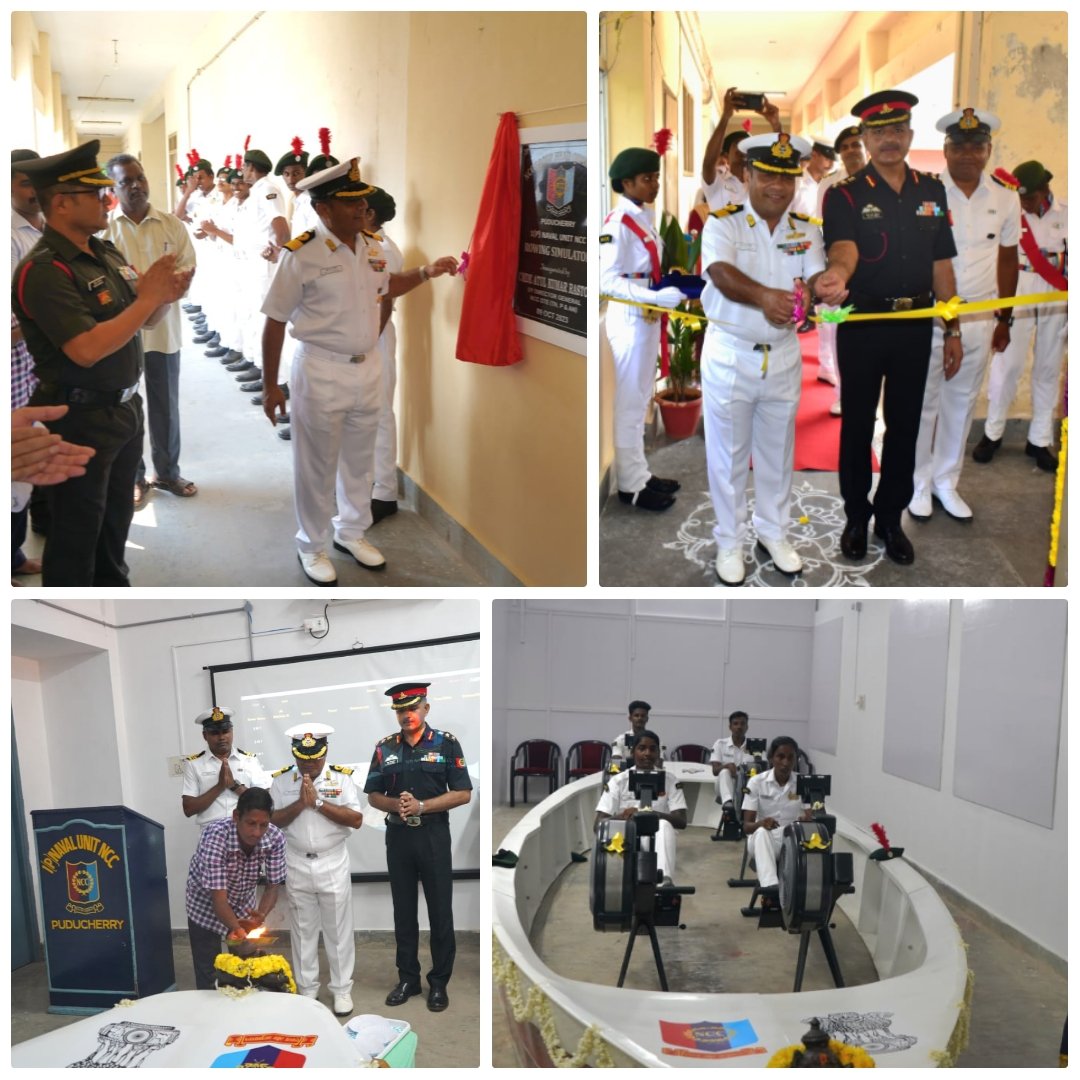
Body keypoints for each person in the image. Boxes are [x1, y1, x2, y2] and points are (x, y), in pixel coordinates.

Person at [260, 157, 458, 584]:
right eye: (350, 203)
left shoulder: (371, 246)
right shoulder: (301, 254)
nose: (361, 209)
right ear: (323, 209)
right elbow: (275, 319)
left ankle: (351, 532)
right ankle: (311, 545)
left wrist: (425, 272)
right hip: (320, 368)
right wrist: (270, 385)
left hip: (367, 368)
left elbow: (386, 287)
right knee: (316, 466)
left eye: (362, 202)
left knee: (359, 460)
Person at [11, 140, 193, 586]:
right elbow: (86, 349)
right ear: (61, 203)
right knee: (77, 530)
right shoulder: (45, 269)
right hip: (80, 416)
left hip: (124, 408)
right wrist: (148, 299)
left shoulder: (104, 252)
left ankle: (114, 586)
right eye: (94, 193)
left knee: (114, 522)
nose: (106, 200)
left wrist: (164, 297)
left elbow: (143, 320)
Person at [819, 90, 960, 567]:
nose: (889, 139)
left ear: (910, 135)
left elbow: (942, 265)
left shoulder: (931, 190)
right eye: (878, 132)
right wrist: (837, 274)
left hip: (915, 325)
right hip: (863, 322)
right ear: (865, 138)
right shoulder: (844, 194)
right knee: (858, 424)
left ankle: (889, 517)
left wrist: (953, 329)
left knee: (905, 426)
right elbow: (843, 248)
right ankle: (856, 517)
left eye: (897, 130)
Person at [700, 132, 845, 585]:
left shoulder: (806, 229)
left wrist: (822, 286)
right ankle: (729, 540)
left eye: (786, 176)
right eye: (767, 175)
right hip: (731, 353)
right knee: (728, 456)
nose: (777, 186)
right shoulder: (723, 223)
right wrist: (764, 296)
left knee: (777, 452)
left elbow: (814, 274)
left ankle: (773, 532)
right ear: (747, 175)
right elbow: (720, 273)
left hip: (782, 355)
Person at [909, 109, 1020, 522]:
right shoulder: (925, 193)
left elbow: (1007, 259)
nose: (968, 154)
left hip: (977, 318)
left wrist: (1005, 318)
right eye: (959, 146)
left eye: (977, 146)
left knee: (961, 403)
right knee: (924, 403)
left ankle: (946, 482)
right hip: (930, 316)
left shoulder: (1005, 199)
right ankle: (918, 483)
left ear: (988, 150)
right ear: (946, 150)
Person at [363, 682, 472, 1012]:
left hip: (433, 835)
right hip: (398, 837)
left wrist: (422, 806)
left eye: (412, 708)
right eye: (400, 710)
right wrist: (396, 805)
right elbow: (373, 795)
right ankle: (408, 978)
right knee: (403, 912)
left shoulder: (445, 743)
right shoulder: (384, 748)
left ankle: (438, 982)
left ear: (426, 708)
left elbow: (463, 793)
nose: (406, 715)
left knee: (440, 912)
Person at [103, 153, 199, 507]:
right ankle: (135, 477)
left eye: (139, 178)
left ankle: (168, 473)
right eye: (125, 181)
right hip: (121, 337)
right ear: (113, 189)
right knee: (127, 409)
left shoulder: (171, 225)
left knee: (165, 407)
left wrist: (152, 293)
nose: (135, 186)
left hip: (164, 333)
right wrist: (152, 291)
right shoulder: (104, 232)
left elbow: (186, 272)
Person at [601, 147, 687, 512]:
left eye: (656, 177)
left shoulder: (643, 217)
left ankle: (640, 473)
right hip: (630, 319)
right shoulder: (618, 224)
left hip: (646, 315)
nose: (655, 184)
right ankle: (631, 486)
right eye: (647, 178)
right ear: (626, 183)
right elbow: (605, 280)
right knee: (630, 403)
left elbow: (644, 270)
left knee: (639, 400)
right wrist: (652, 296)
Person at [974, 159, 1067, 473]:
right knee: (1007, 363)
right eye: (1021, 197)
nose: (1025, 203)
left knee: (1048, 365)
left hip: (1056, 292)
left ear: (1045, 188)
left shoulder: (1068, 214)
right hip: (1018, 285)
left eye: (1030, 197)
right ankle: (993, 433)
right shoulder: (1010, 212)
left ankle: (1039, 439)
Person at [270, 723, 363, 1016]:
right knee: (302, 930)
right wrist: (301, 803)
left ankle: (341, 989)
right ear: (294, 754)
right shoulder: (281, 782)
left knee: (338, 930)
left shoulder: (342, 779)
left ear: (324, 753)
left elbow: (356, 819)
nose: (309, 764)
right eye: (303, 758)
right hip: (296, 860)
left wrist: (319, 802)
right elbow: (273, 820)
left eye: (314, 758)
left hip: (332, 861)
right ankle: (307, 989)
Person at [185, 786, 287, 990]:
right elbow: (218, 899)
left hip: (242, 904)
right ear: (236, 816)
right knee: (209, 972)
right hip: (204, 905)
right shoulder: (215, 836)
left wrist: (260, 916)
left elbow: (272, 887)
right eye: (251, 823)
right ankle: (210, 1006)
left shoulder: (275, 838)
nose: (257, 832)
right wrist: (236, 928)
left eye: (263, 825)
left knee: (245, 969)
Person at [813, 126, 866, 413]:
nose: (851, 150)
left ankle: (868, 395)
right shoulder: (829, 185)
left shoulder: (880, 179)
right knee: (836, 330)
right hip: (839, 269)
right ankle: (843, 393)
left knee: (868, 334)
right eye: (845, 147)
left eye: (856, 144)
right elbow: (823, 228)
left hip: (872, 271)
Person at [12, 148, 45, 580]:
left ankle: (14, 556)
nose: (34, 191)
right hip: (13, 370)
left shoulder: (40, 229)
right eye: (25, 183)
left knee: (23, 469)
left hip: (32, 369)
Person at [364, 187, 406, 524]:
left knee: (380, 413)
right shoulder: (364, 244)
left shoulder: (383, 249)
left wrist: (368, 340)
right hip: (361, 336)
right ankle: (366, 483)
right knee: (363, 413)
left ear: (371, 215)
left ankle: (385, 493)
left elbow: (385, 301)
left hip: (374, 337)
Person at [595, 728, 686, 883]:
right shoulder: (618, 781)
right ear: (633, 752)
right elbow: (598, 824)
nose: (647, 753)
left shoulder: (670, 780)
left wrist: (653, 815)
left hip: (658, 836)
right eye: (642, 748)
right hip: (626, 835)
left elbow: (682, 821)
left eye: (652, 749)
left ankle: (665, 881)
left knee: (664, 824)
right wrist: (625, 816)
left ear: (658, 753)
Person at [741, 736, 812, 900]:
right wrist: (761, 823)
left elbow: (812, 815)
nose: (785, 763)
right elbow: (747, 827)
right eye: (780, 757)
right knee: (761, 832)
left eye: (790, 758)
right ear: (771, 758)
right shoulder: (756, 782)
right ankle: (770, 888)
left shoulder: (803, 783)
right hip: (763, 840)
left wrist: (808, 819)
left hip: (793, 839)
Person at [181, 706, 272, 830]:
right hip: (212, 831)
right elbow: (188, 809)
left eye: (225, 731)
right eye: (215, 733)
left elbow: (265, 801)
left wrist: (234, 786)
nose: (221, 737)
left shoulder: (249, 760)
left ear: (232, 731)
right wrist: (220, 786)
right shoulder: (193, 764)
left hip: (245, 830)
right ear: (205, 735)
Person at [700, 87, 783, 211]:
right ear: (726, 156)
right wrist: (726, 116)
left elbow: (783, 167)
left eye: (747, 147)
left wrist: (776, 125)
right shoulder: (718, 183)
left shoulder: (760, 184)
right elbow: (708, 163)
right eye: (737, 145)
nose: (743, 150)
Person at [709, 709, 752, 809]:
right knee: (724, 771)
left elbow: (763, 770)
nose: (739, 727)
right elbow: (715, 771)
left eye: (742, 724)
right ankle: (728, 804)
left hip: (747, 785)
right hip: (724, 785)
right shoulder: (720, 744)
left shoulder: (755, 746)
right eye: (735, 724)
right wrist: (727, 766)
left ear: (747, 727)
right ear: (730, 727)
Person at [611, 699, 651, 764]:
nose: (640, 718)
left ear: (647, 719)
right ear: (630, 718)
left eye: (643, 716)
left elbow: (659, 763)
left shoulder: (653, 740)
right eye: (636, 715)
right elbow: (615, 764)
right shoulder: (620, 740)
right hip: (626, 770)